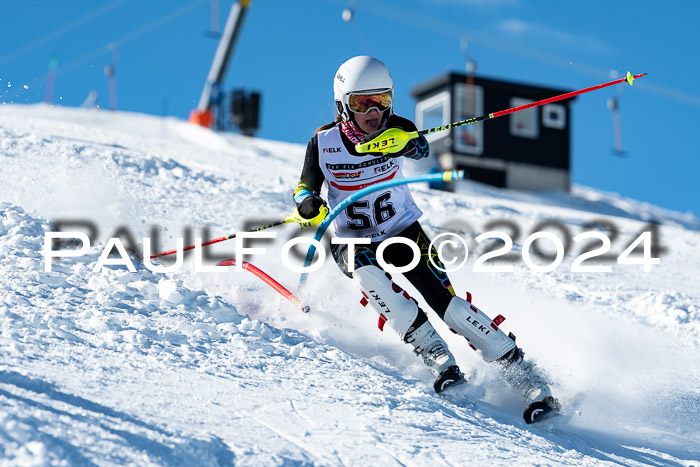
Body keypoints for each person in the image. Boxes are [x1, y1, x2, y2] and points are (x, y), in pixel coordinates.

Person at [292, 55, 559, 412]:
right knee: (369, 275)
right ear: (343, 106)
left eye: (382, 100)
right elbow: (303, 188)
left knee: (448, 306)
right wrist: (309, 203)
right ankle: (436, 355)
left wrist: (408, 143)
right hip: (351, 239)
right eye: (362, 103)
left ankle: (526, 379)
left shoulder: (396, 127)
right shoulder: (323, 143)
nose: (374, 112)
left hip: (404, 229)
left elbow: (420, 146)